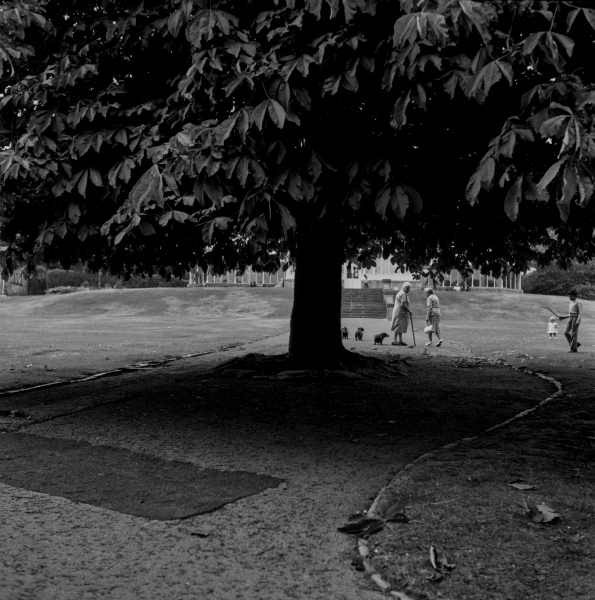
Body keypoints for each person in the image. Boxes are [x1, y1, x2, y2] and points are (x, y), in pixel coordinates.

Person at [391, 282, 412, 346]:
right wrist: (409, 311)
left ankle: (400, 340)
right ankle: (395, 340)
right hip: (400, 312)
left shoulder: (401, 293)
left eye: (409, 288)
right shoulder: (403, 294)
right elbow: (403, 305)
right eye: (408, 288)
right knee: (398, 325)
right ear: (404, 287)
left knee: (400, 326)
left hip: (400, 312)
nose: (409, 290)